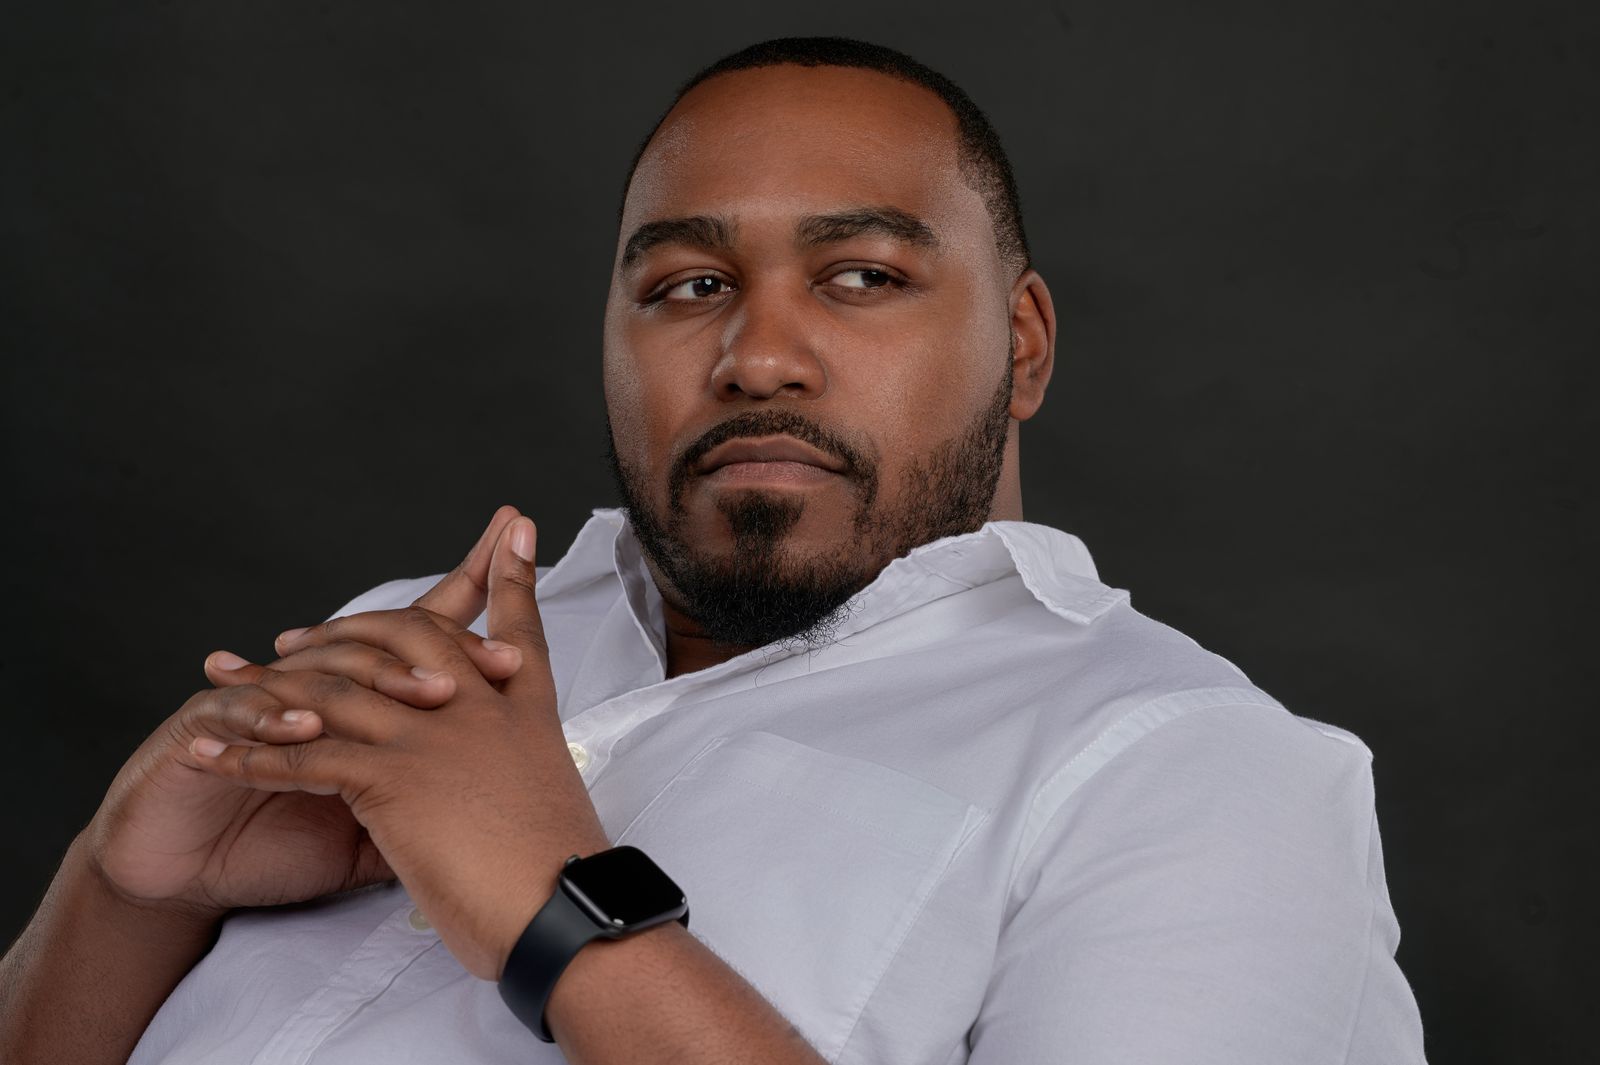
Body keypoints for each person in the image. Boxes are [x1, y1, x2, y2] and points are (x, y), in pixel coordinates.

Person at [0, 35, 1428, 1065]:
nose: (757, 355)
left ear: (1025, 343)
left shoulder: (1196, 773)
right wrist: (126, 896)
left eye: (861, 276)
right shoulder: (417, 647)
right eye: (689, 285)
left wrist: (561, 910)